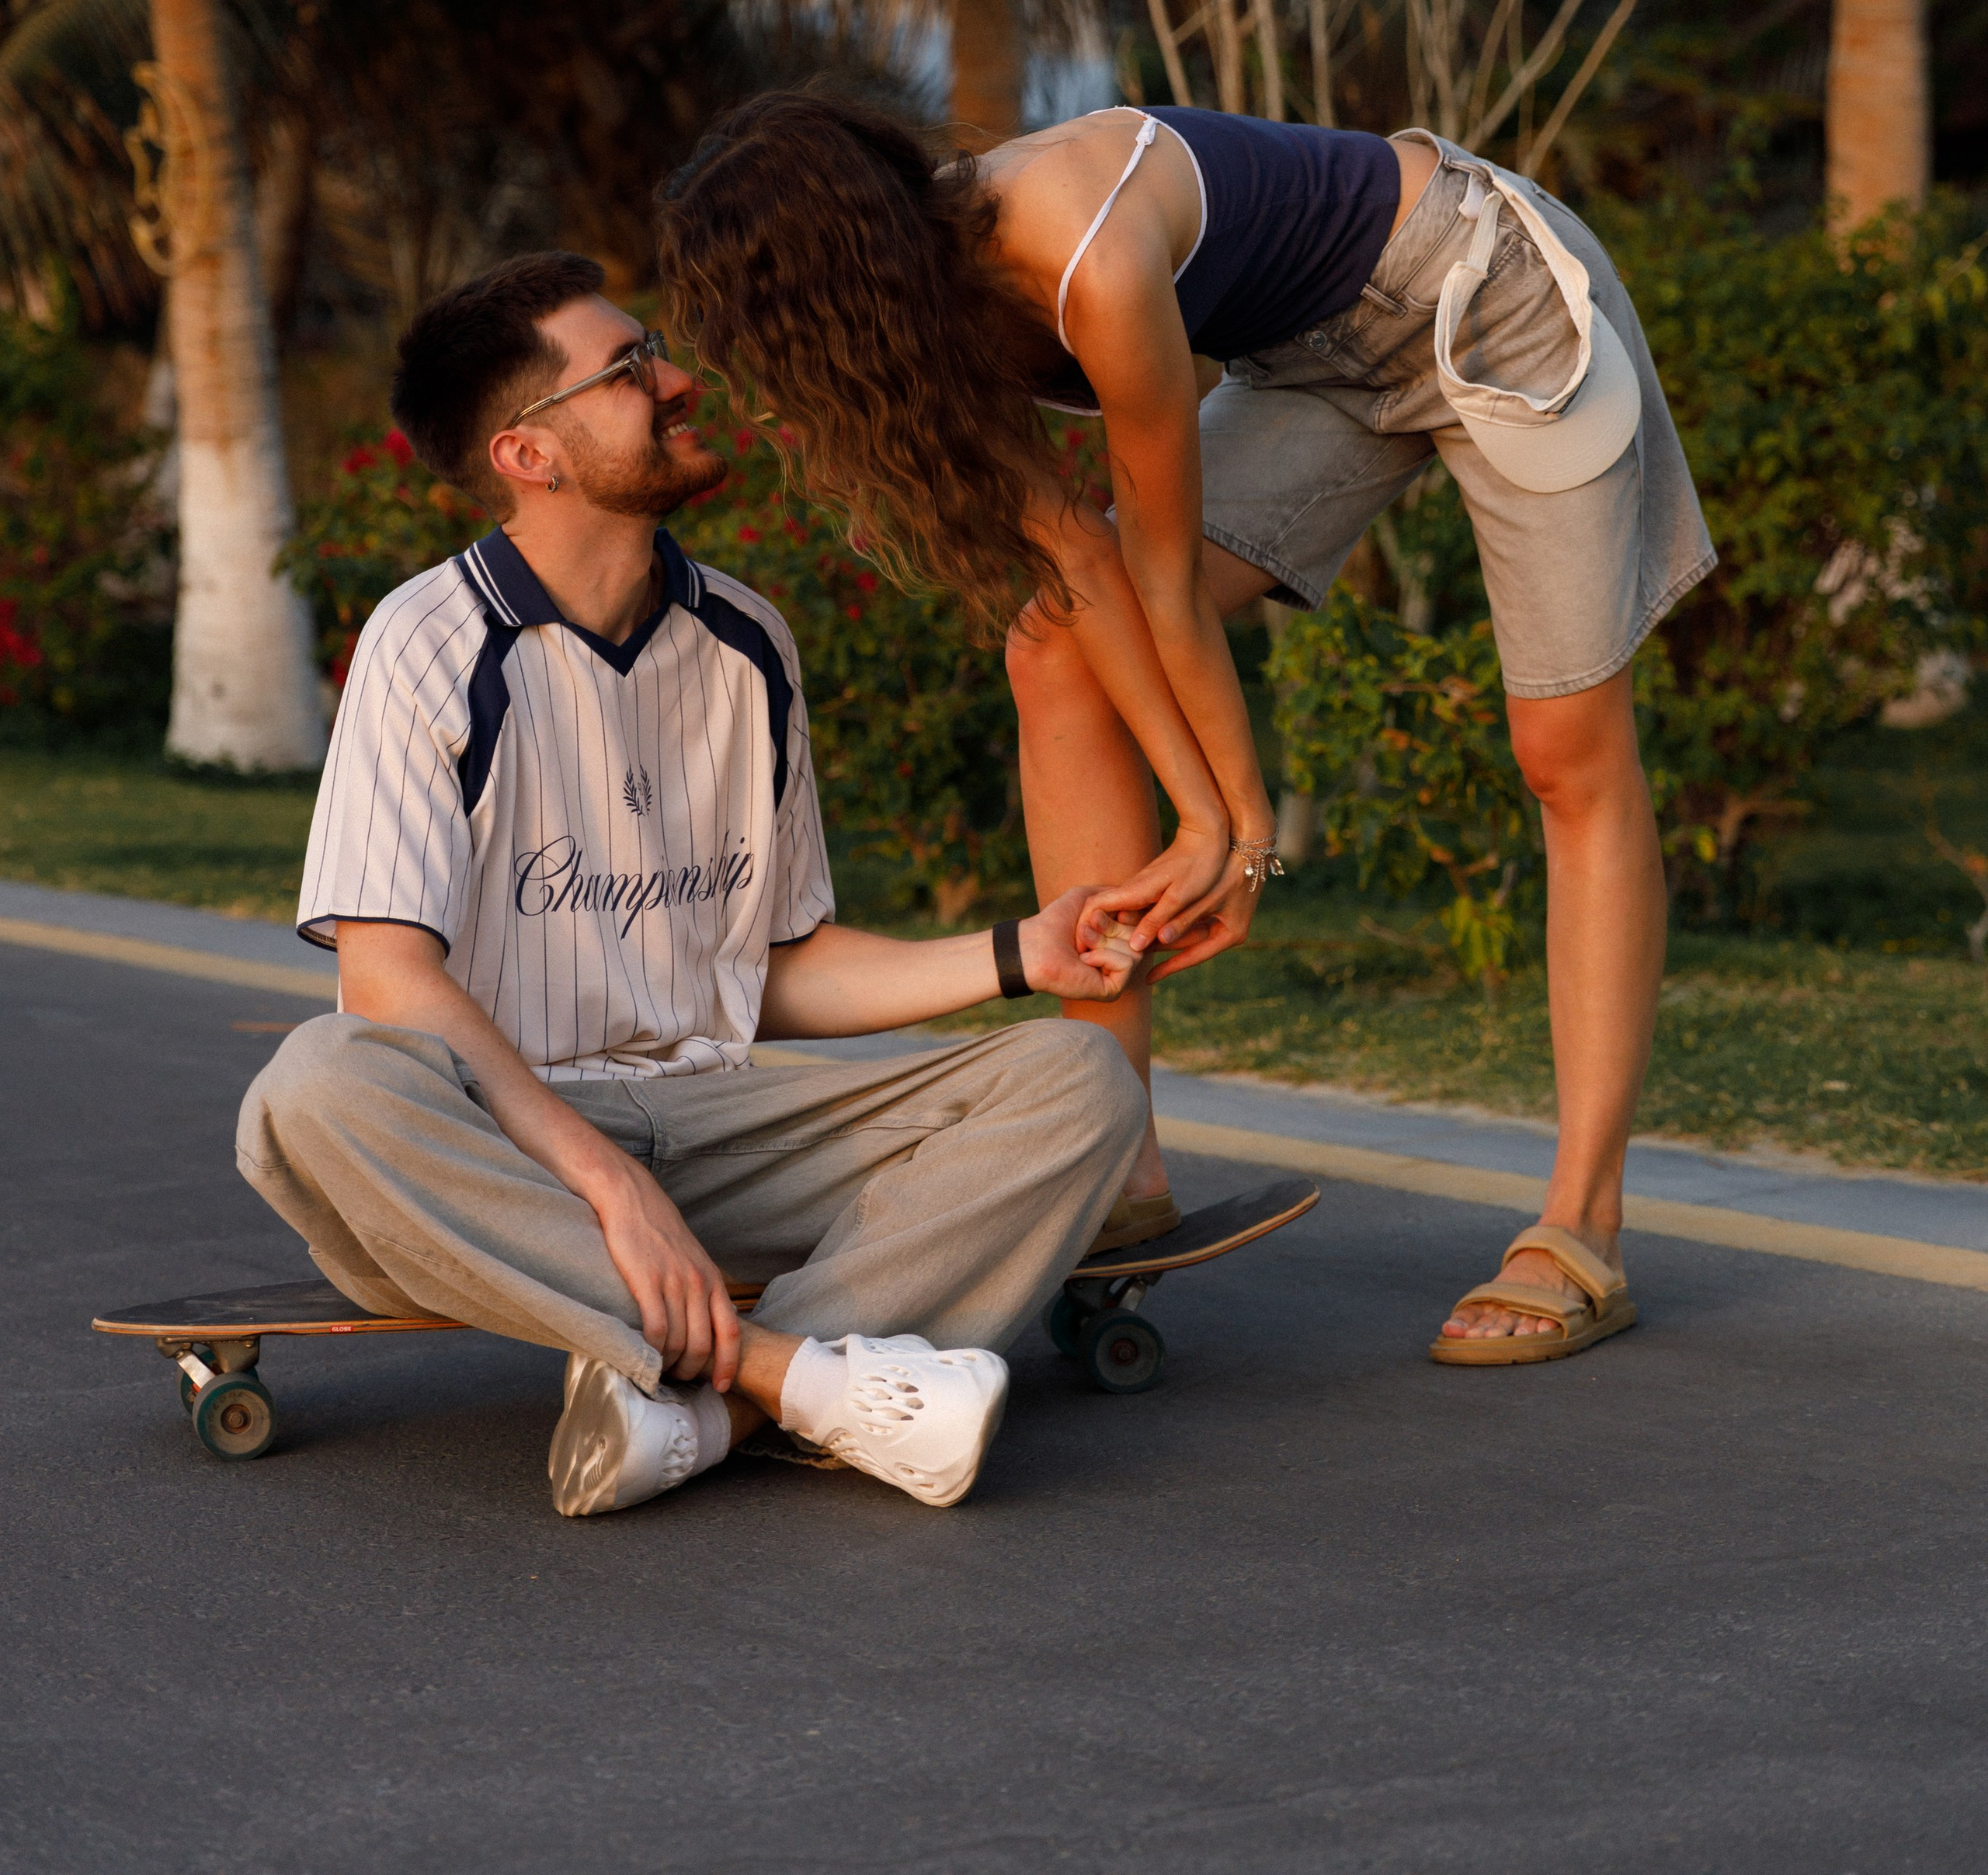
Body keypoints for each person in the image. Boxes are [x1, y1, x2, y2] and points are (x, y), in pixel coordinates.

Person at [657, 97, 1715, 1368]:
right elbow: (1083, 563)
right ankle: (1118, 1159)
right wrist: (1204, 817)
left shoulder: (1079, 248)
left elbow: (1162, 582)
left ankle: (1583, 1224)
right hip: (1318, 361)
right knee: (1051, 647)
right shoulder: (936, 315)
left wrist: (1239, 831)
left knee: (1565, 757)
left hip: (1489, 298)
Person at [240, 253, 1145, 1518]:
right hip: (505, 1157)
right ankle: (790, 1375)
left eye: (654, 352)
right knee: (313, 1089)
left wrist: (1017, 955)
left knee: (1077, 1078)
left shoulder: (747, 643)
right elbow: (388, 985)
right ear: (529, 454)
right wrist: (612, 1189)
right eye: (628, 371)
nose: (676, 381)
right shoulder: (425, 645)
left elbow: (772, 967)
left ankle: (701, 1415)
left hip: (720, 1127)